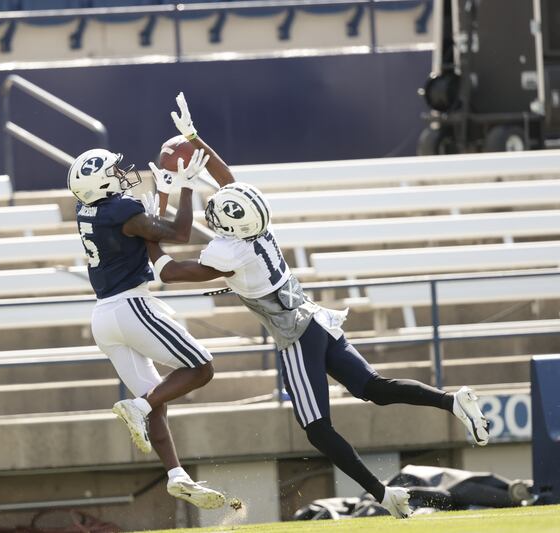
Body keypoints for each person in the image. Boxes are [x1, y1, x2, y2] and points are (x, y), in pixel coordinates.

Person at [144, 93, 491, 519]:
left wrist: (151, 225)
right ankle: (453, 401)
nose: (213, 212)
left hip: (295, 333)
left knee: (317, 428)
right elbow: (225, 177)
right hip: (316, 318)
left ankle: (384, 495)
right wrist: (195, 139)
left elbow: (170, 272)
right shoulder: (257, 228)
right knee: (373, 389)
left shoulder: (229, 252)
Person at [67, 115, 236, 509]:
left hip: (103, 318)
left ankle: (176, 475)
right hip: (131, 306)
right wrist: (188, 189)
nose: (123, 174)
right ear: (102, 182)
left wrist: (162, 194)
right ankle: (137, 408)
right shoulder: (120, 210)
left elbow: (144, 228)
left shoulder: (88, 209)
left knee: (155, 396)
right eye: (114, 171)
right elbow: (176, 234)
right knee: (201, 368)